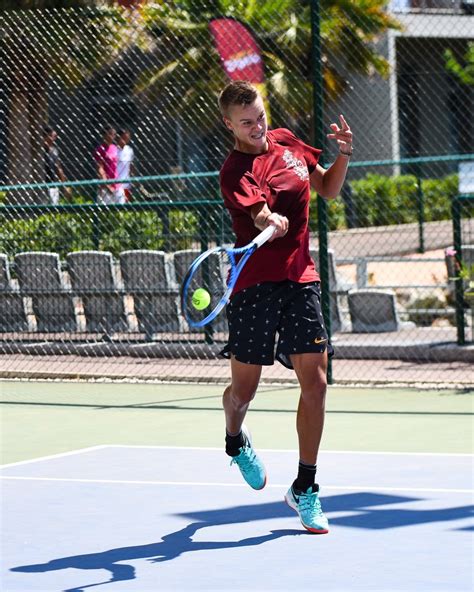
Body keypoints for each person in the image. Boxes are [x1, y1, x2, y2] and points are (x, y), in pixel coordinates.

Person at [217, 80, 352, 534]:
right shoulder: (234, 170)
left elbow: (328, 190)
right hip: (255, 286)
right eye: (246, 123)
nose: (257, 128)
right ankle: (235, 440)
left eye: (259, 117)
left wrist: (343, 156)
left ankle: (306, 487)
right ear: (229, 125)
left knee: (315, 383)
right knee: (244, 394)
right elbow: (258, 214)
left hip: (301, 279)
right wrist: (266, 217)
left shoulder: (288, 142)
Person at [43, 126, 69, 204]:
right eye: (51, 136)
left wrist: (64, 185)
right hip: (41, 184)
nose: (53, 139)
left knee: (54, 207)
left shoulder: (54, 150)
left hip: (53, 184)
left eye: (54, 137)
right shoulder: (39, 151)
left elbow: (59, 168)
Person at [93, 124, 118, 204]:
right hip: (104, 187)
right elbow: (100, 169)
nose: (113, 136)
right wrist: (108, 186)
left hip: (116, 185)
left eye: (114, 134)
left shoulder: (115, 147)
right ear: (104, 135)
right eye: (110, 133)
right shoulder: (100, 149)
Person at [116, 128, 135, 203]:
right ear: (119, 137)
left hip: (127, 183)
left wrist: (132, 178)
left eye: (127, 138)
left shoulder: (129, 150)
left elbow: (131, 165)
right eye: (123, 138)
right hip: (116, 183)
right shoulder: (114, 150)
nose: (126, 140)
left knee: (126, 204)